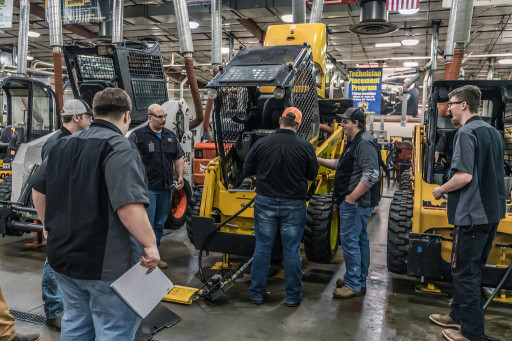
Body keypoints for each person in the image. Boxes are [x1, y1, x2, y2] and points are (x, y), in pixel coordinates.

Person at [31, 88, 160, 340]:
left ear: (94, 112)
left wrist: (48, 225)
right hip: (106, 265)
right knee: (114, 329)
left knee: (76, 323)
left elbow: (38, 189)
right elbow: (128, 206)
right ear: (126, 116)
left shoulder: (62, 145)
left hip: (64, 259)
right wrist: (151, 244)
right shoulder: (120, 147)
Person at [430, 85, 505, 341]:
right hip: (491, 214)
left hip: (472, 216)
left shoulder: (465, 133)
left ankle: (472, 334)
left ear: (464, 105)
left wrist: (440, 190)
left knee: (464, 274)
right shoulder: (493, 133)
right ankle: (457, 315)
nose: (448, 108)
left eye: (451, 103)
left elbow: (464, 176)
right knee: (472, 270)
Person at [244, 107, 318, 307]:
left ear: (280, 121)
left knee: (262, 248)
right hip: (294, 204)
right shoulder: (305, 146)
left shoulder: (262, 143)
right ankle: (293, 297)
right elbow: (312, 175)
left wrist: (261, 179)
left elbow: (247, 169)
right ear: (299, 124)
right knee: (292, 251)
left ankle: (257, 294)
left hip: (265, 201)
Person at [39, 99, 93, 331]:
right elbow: (43, 185)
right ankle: (54, 312)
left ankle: (66, 308)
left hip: (70, 213)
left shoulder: (71, 141)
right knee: (54, 263)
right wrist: (47, 222)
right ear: (76, 117)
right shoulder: (57, 143)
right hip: (60, 214)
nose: (91, 121)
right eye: (88, 117)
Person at [317, 107, 381, 299]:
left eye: (345, 122)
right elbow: (339, 165)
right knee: (358, 240)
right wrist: (316, 159)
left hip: (356, 203)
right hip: (355, 202)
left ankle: (353, 284)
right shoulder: (353, 142)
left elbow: (372, 174)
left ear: (356, 123)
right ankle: (357, 277)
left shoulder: (364, 143)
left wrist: (352, 197)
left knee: (350, 242)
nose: (342, 125)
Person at [129, 104, 185, 269]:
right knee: (147, 225)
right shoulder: (138, 136)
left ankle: (155, 256)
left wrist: (180, 175)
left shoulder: (170, 136)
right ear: (150, 117)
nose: (163, 120)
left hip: (166, 188)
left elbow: (178, 157)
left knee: (159, 225)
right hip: (147, 189)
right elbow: (130, 161)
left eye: (164, 116)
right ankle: (141, 259)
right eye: (159, 117)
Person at [434, 116, 462, 182]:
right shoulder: (447, 136)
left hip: (466, 168)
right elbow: (437, 153)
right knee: (451, 175)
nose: (453, 120)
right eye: (453, 119)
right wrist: (439, 158)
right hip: (451, 168)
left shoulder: (471, 136)